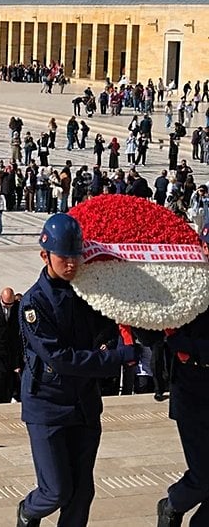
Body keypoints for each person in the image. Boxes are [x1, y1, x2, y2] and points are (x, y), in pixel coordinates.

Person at [15, 213, 141, 527]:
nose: (71, 264)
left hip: (84, 404)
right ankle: (28, 511)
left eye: (76, 256)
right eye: (63, 257)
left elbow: (108, 327)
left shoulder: (88, 291)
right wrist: (114, 359)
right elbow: (60, 359)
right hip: (48, 405)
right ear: (45, 255)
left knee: (82, 493)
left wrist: (119, 339)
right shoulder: (34, 303)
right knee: (56, 491)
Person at [156, 225, 209, 526]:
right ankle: (173, 503)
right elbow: (167, 336)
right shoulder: (184, 284)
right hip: (192, 388)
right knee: (203, 473)